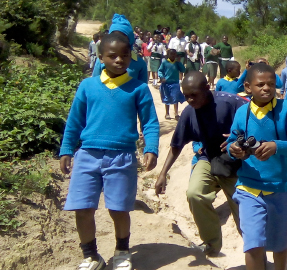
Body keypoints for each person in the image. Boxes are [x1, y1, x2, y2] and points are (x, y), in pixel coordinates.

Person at [59, 33, 159, 270]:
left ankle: (122, 251)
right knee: (82, 208)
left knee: (119, 208)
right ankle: (91, 256)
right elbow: (75, 121)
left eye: (124, 55)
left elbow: (151, 123)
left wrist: (151, 147)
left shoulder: (139, 89)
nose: (119, 60)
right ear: (100, 57)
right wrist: (66, 148)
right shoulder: (88, 86)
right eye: (112, 56)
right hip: (87, 156)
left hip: (121, 156)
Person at [227, 63, 287, 270]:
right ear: (248, 87)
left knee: (279, 245)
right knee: (253, 244)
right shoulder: (242, 113)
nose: (266, 88)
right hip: (249, 188)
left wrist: (277, 146)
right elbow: (231, 141)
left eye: (271, 84)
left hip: (281, 188)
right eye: (260, 84)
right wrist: (234, 149)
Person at [154, 72, 246, 256]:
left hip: (238, 163)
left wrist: (241, 138)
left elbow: (258, 121)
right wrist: (162, 173)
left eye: (193, 95)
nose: (189, 99)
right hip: (209, 158)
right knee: (195, 193)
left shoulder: (231, 103)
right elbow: (176, 145)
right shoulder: (189, 112)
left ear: (206, 88)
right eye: (186, 95)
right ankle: (212, 246)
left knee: (243, 211)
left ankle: (255, 255)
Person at [92, 14, 148, 83]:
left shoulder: (140, 64)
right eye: (115, 37)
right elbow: (94, 84)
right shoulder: (102, 61)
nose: (118, 41)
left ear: (130, 39)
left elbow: (143, 90)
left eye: (122, 37)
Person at [158, 49, 186, 120]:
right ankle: (167, 113)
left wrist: (180, 62)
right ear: (168, 55)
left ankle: (176, 113)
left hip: (175, 83)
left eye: (174, 54)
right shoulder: (164, 63)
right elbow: (160, 71)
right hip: (166, 83)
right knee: (167, 98)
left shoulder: (177, 63)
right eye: (171, 54)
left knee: (175, 98)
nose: (173, 56)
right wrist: (162, 77)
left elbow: (183, 70)